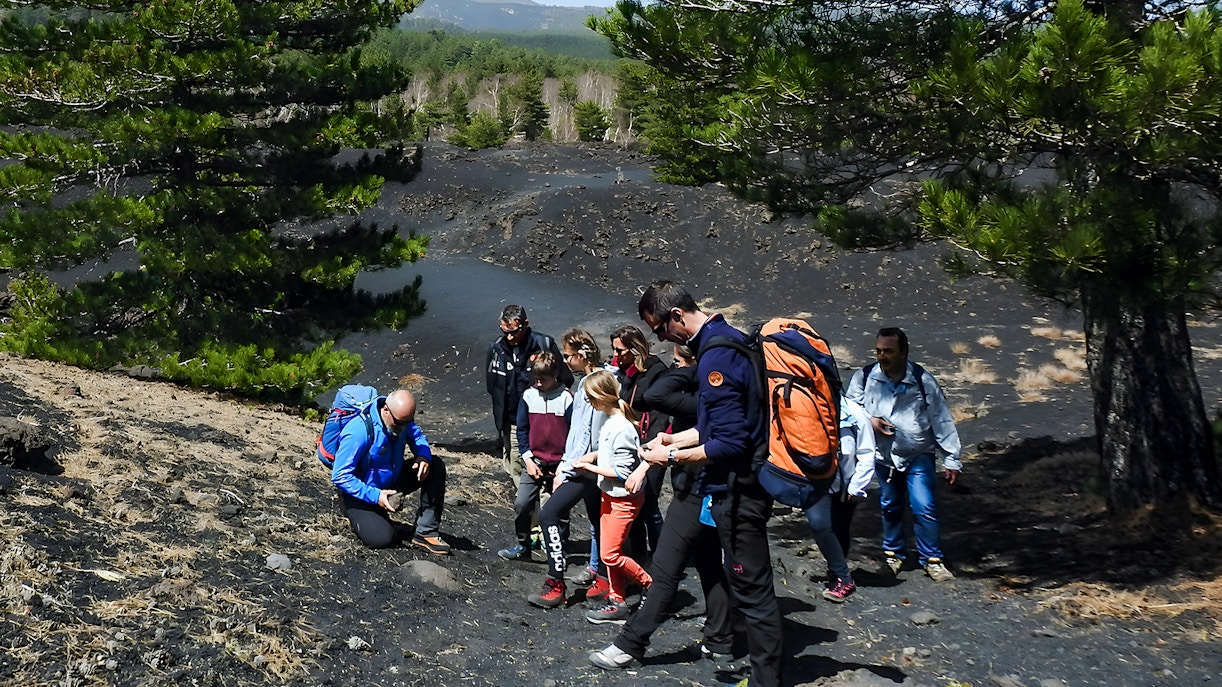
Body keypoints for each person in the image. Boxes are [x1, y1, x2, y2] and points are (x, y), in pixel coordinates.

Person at [594, 280, 783, 687]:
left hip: (735, 490)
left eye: (659, 328)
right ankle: (709, 642)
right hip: (720, 487)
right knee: (709, 569)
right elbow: (719, 425)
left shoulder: (716, 355)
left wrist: (671, 456)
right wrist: (675, 438)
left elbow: (731, 442)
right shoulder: (729, 339)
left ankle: (767, 677)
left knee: (752, 588)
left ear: (676, 315)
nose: (659, 337)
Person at [589, 342, 739, 675]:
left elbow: (656, 395)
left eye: (678, 361)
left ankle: (630, 644)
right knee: (710, 564)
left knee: (667, 567)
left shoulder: (704, 395)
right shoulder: (715, 396)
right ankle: (719, 639)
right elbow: (686, 429)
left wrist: (688, 367)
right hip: (712, 488)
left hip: (698, 489)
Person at [846, 326, 962, 583]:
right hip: (883, 456)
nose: (881, 356)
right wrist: (871, 420)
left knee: (924, 506)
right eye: (878, 351)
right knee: (890, 506)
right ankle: (894, 555)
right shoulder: (865, 377)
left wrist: (951, 457)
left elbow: (941, 420)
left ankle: (932, 559)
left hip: (917, 454)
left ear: (903, 352)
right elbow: (850, 408)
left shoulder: (923, 380)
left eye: (888, 351)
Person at [527, 329, 612, 608]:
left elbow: (588, 434)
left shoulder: (594, 385)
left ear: (582, 354)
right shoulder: (590, 381)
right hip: (585, 465)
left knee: (549, 514)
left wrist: (569, 466)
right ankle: (603, 576)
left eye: (568, 356)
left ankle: (555, 581)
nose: (565, 361)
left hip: (587, 468)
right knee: (597, 520)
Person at [571, 369, 653, 625]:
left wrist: (589, 468)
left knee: (610, 555)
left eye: (590, 398)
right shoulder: (610, 422)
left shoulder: (622, 428)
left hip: (623, 499)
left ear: (601, 396)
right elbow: (608, 454)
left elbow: (623, 471)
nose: (589, 403)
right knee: (610, 551)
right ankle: (617, 600)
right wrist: (592, 457)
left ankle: (652, 585)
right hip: (610, 496)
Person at [330, 389, 451, 554]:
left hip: (391, 480)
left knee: (435, 465)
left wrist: (422, 456)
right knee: (382, 539)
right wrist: (376, 496)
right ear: (385, 410)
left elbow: (417, 437)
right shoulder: (358, 431)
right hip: (362, 492)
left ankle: (425, 532)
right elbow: (340, 475)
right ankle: (358, 512)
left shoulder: (402, 420)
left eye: (408, 422)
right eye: (399, 423)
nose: (403, 428)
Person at [486, 304, 573, 484]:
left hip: (542, 421)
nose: (509, 337)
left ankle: (544, 510)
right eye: (504, 331)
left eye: (514, 331)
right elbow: (492, 385)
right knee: (517, 469)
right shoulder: (496, 348)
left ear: (525, 324)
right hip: (511, 423)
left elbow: (565, 379)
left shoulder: (544, 346)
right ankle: (528, 509)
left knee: (545, 476)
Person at [498, 352, 573, 561]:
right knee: (522, 504)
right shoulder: (529, 396)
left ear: (555, 375)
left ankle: (559, 551)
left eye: (543, 379)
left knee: (560, 511)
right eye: (535, 379)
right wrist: (528, 459)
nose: (538, 383)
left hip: (559, 464)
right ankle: (523, 545)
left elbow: (574, 434)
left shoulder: (566, 398)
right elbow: (522, 430)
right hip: (534, 462)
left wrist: (564, 464)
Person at [806, 395, 876, 603]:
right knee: (819, 525)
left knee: (840, 529)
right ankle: (844, 577)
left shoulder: (854, 413)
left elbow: (866, 452)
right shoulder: (803, 406)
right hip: (815, 481)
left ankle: (835, 573)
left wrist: (857, 485)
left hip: (846, 483)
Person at [610, 325, 670, 558]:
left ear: (636, 350)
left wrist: (651, 445)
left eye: (620, 351)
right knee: (632, 502)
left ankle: (660, 556)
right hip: (628, 442)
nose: (616, 356)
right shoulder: (622, 371)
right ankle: (637, 556)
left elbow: (660, 415)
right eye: (615, 351)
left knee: (649, 504)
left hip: (651, 442)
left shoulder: (656, 372)